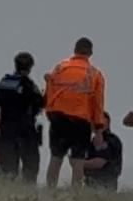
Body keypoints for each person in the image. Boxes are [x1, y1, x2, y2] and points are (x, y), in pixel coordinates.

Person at [44, 37, 107, 188]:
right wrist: (98, 128)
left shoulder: (59, 68)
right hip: (80, 120)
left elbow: (50, 91)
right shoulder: (95, 74)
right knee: (78, 160)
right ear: (90, 53)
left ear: (75, 50)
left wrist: (49, 112)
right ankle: (76, 193)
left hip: (58, 117)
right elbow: (98, 103)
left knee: (56, 157)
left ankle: (50, 190)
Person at [0, 52, 44, 184]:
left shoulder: (5, 83)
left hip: (7, 130)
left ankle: (9, 194)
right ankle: (28, 195)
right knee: (30, 168)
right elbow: (40, 105)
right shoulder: (30, 86)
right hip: (27, 130)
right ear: (30, 67)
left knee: (8, 170)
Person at [84, 112, 123, 191]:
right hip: (89, 185)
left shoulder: (112, 140)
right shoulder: (89, 143)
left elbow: (99, 162)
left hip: (105, 185)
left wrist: (79, 163)